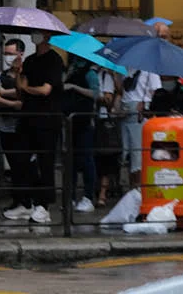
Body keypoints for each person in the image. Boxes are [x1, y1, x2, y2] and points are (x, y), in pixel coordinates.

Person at [15, 30, 65, 224]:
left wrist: (27, 88)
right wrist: (18, 73)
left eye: (39, 33)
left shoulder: (54, 60)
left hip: (47, 119)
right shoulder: (29, 61)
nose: (36, 36)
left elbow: (45, 89)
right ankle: (27, 201)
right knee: (23, 160)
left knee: (45, 161)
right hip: (28, 117)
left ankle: (44, 205)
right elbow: (21, 91)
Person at [62, 56, 100, 214]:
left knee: (86, 160)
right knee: (70, 161)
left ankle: (88, 197)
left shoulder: (90, 73)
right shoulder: (70, 70)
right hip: (70, 122)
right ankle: (69, 197)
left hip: (84, 121)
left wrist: (74, 87)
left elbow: (96, 94)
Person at [0, 39, 28, 215]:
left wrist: (5, 92)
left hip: (23, 127)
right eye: (6, 53)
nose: (8, 57)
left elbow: (24, 91)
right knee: (14, 166)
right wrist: (11, 102)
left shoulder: (27, 72)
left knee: (24, 165)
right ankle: (17, 201)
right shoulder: (1, 74)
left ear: (21, 54)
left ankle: (26, 202)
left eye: (11, 53)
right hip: (5, 126)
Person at [120, 64, 160, 190]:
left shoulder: (150, 71)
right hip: (125, 112)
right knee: (126, 152)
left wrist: (146, 103)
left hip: (140, 113)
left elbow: (156, 91)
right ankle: (132, 188)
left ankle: (138, 189)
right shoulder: (124, 69)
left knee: (138, 153)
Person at [94, 67, 121, 208]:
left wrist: (95, 95)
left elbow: (108, 98)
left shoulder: (106, 76)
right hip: (93, 120)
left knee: (105, 158)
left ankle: (103, 193)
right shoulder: (92, 73)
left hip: (104, 121)